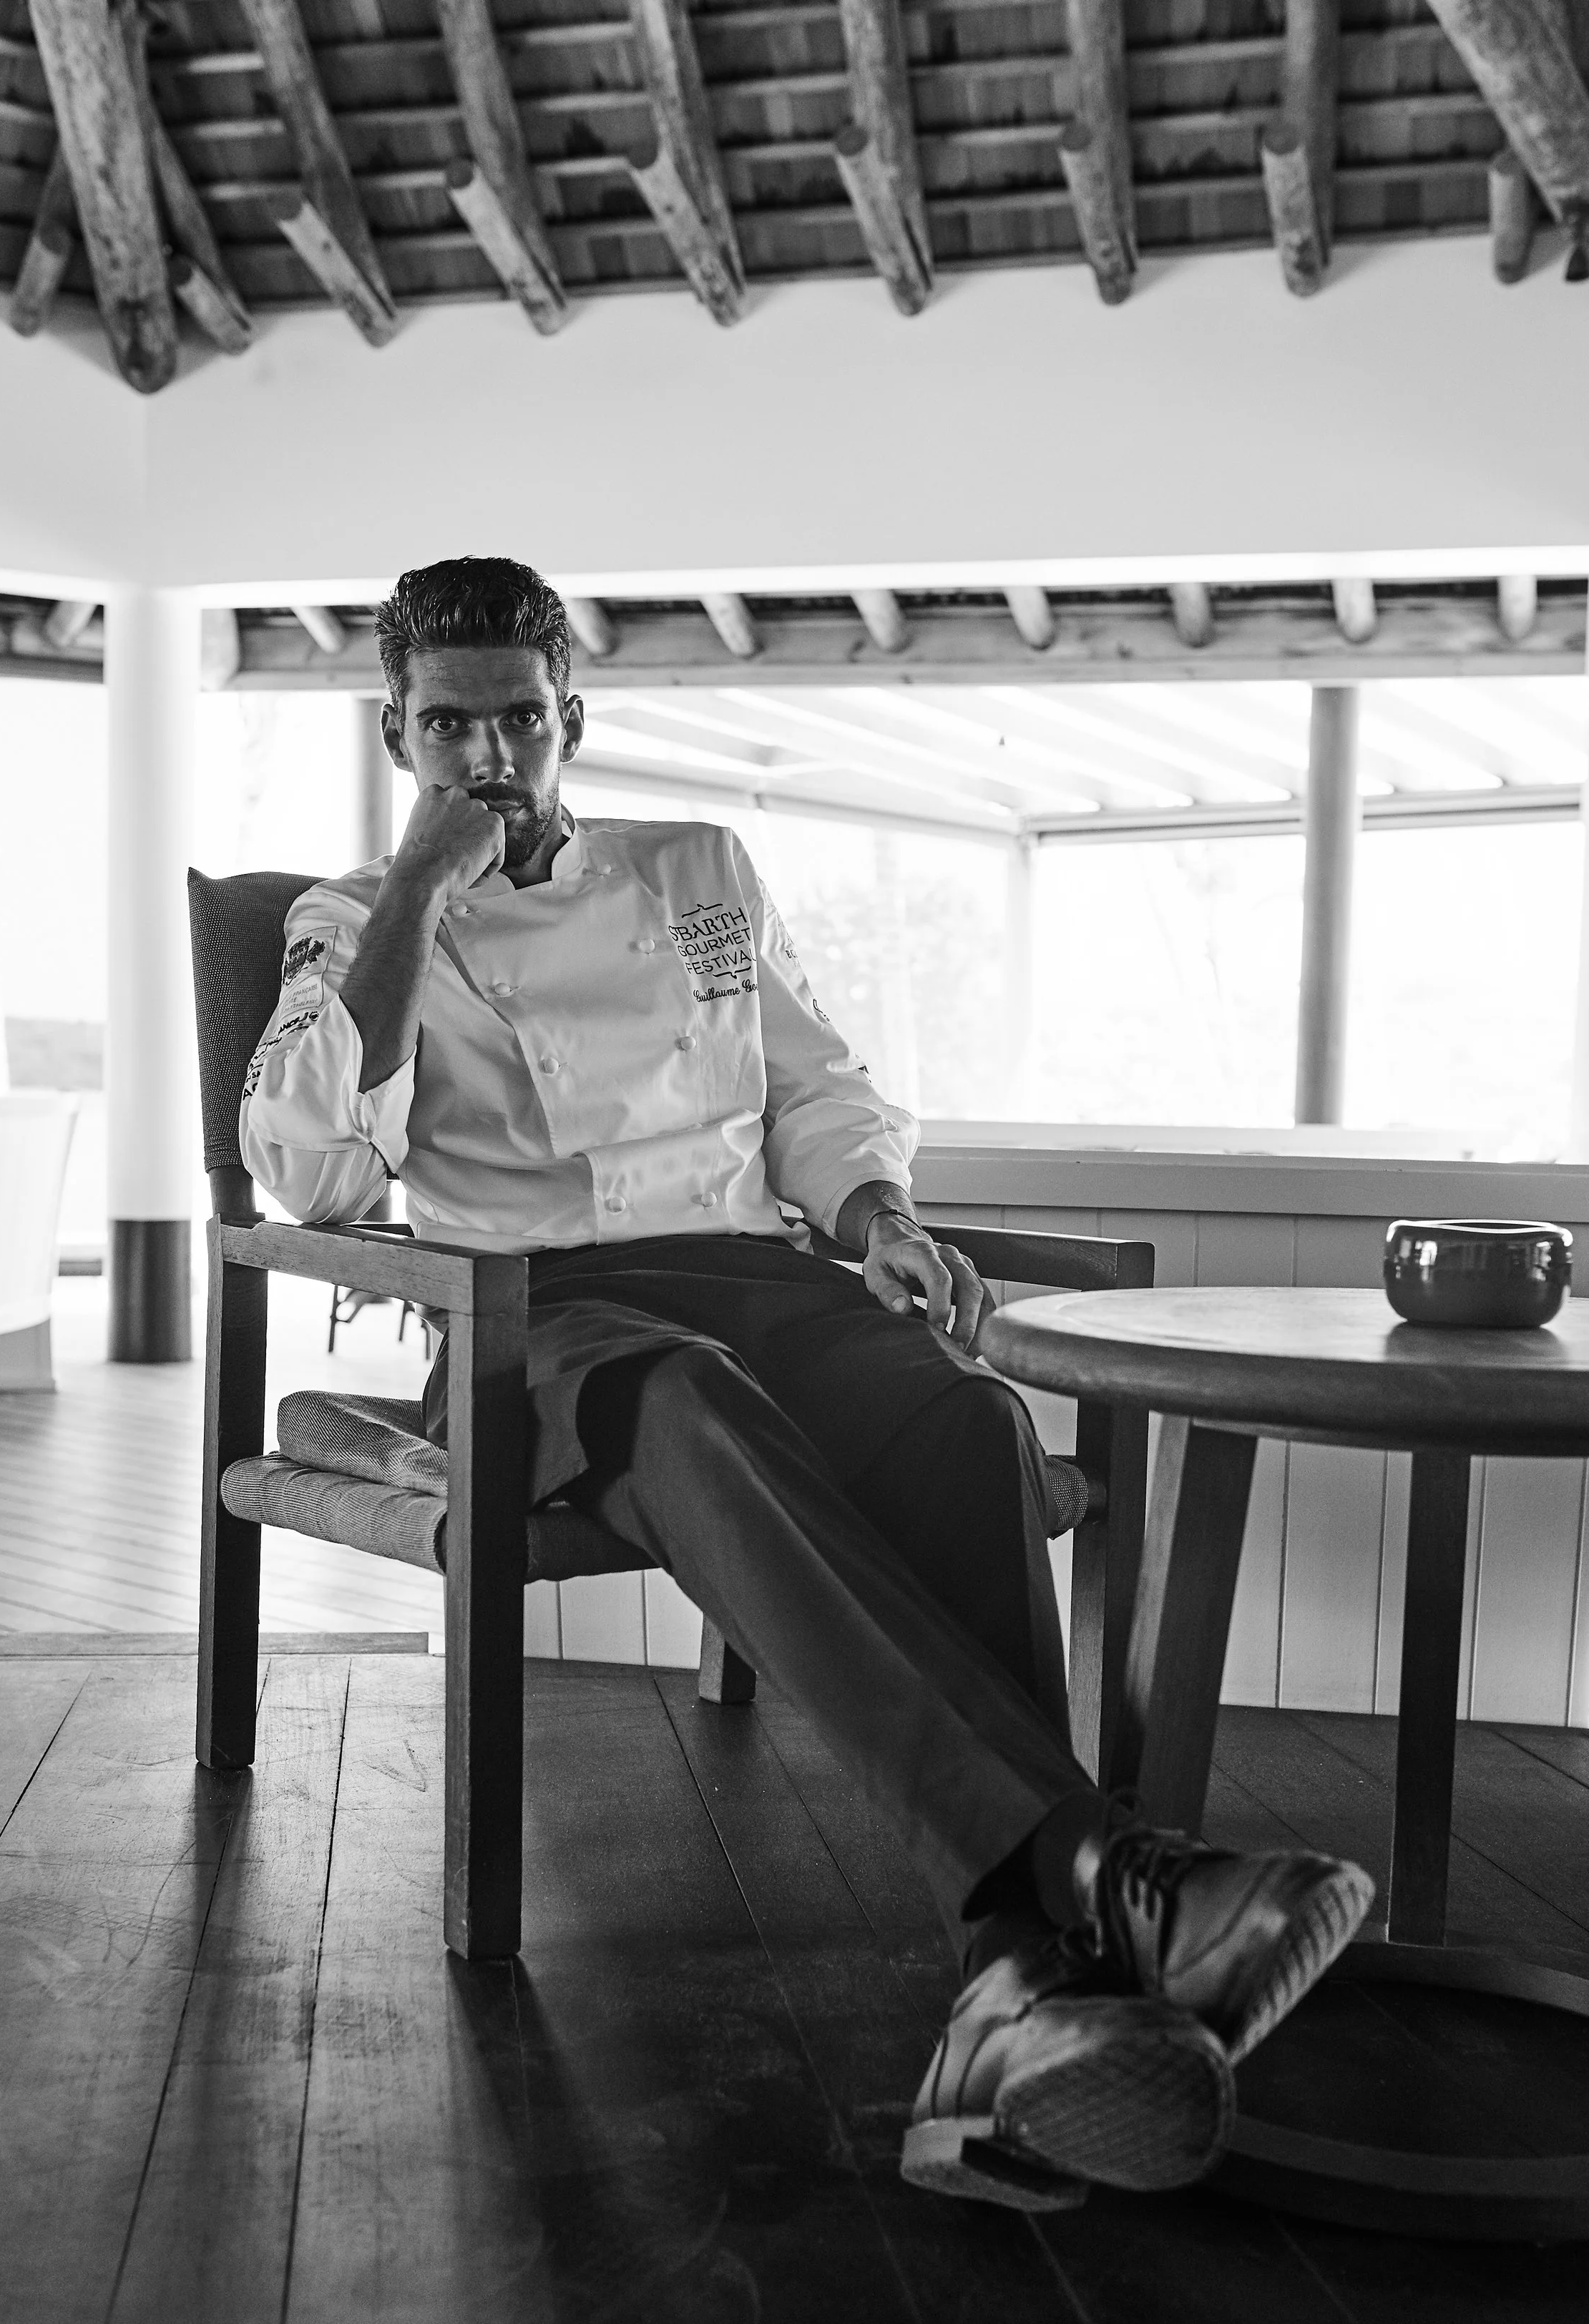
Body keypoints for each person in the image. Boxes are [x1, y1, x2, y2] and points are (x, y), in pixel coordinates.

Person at [242, 554, 1373, 2215]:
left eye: (517, 726)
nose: (488, 763)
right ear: (397, 731)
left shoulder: (698, 869)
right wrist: (420, 881)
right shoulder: (348, 924)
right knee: (692, 1401)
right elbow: (310, 1183)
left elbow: (812, 1085)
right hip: (532, 1320)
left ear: (572, 717)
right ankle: (1102, 1886)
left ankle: (1016, 1980)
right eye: (446, 733)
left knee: (961, 1414)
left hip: (764, 1274)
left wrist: (877, 1213)